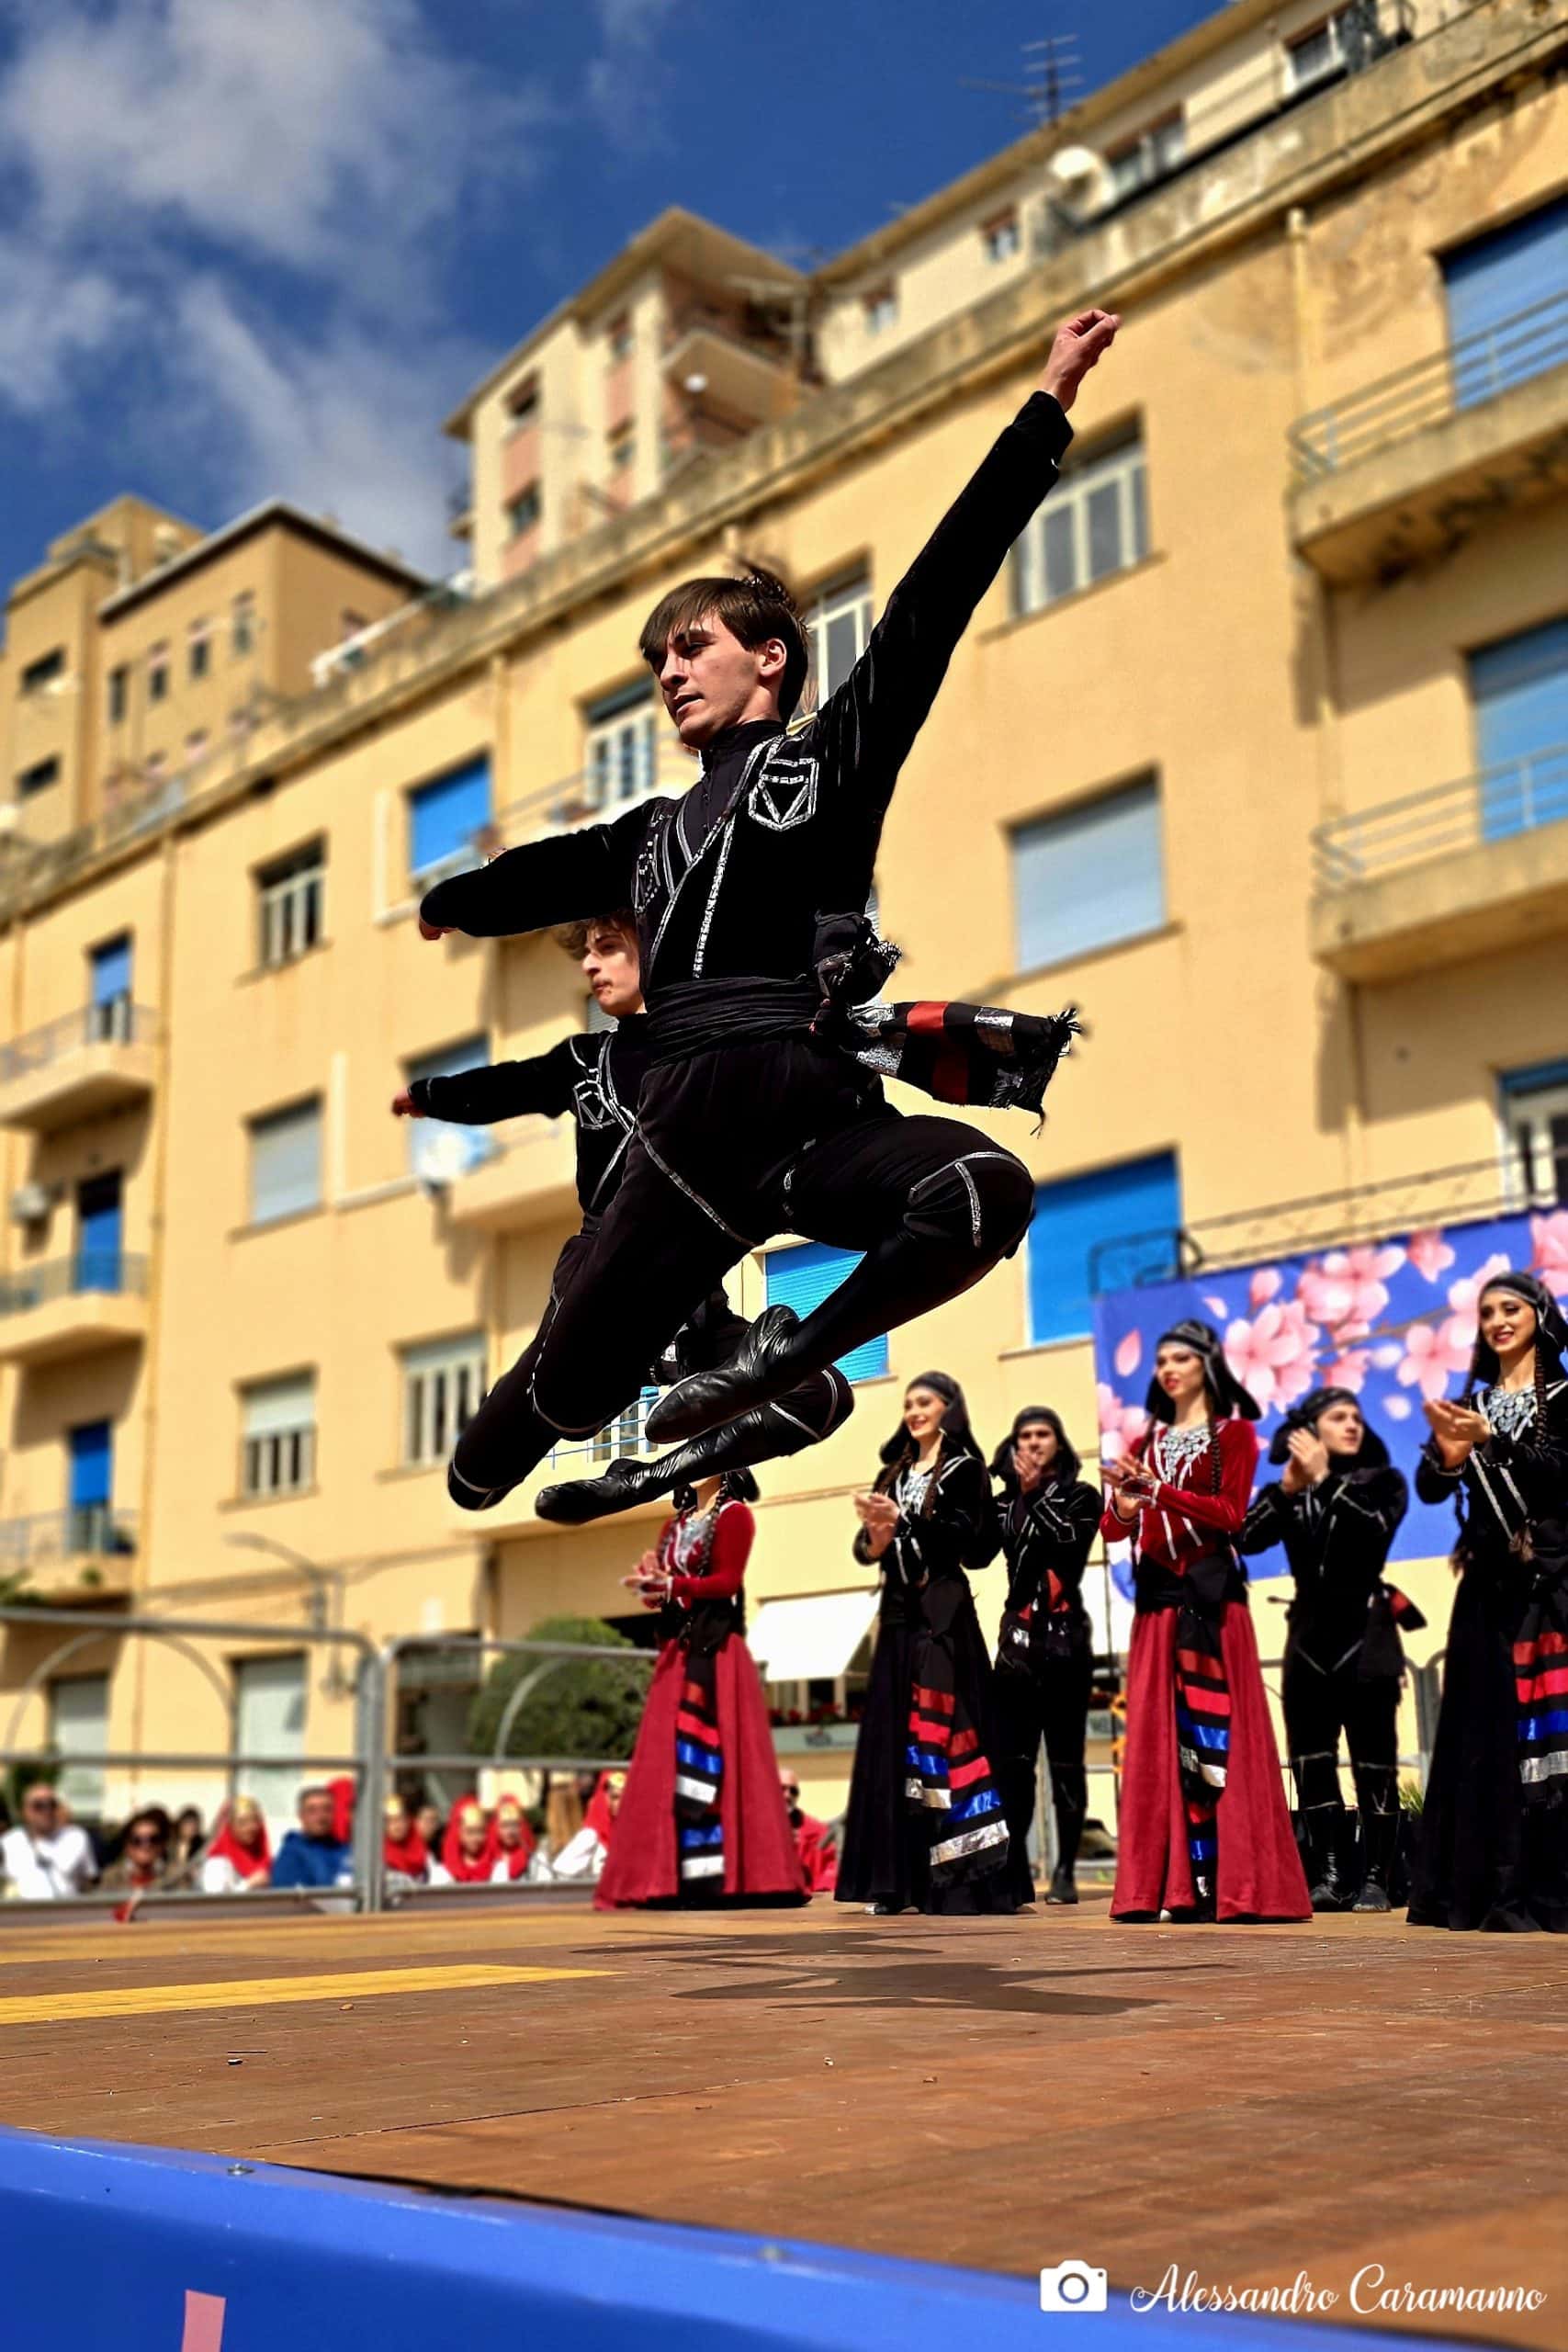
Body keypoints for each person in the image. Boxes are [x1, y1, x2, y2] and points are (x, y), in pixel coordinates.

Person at [416, 311, 1120, 1514]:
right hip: (683, 1135)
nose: (670, 673)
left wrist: (1042, 417)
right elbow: (533, 877)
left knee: (982, 1193)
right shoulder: (643, 833)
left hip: (806, 1108)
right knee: (530, 1432)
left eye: (693, 648)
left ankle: (784, 1365)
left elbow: (931, 603)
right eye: (660, 662)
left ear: (770, 661)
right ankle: (577, 1398)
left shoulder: (823, 766)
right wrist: (453, 901)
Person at [397, 913, 853, 1517]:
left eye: (608, 948)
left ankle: (645, 1478)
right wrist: (429, 1096)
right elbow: (513, 1084)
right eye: (586, 952)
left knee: (821, 1396)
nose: (590, 965)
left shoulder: (721, 1045)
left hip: (689, 1290)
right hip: (597, 1279)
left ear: (659, 949)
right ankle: (573, 1385)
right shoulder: (586, 1059)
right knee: (473, 1483)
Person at [1102, 1321, 1310, 1924]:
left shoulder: (1234, 1435)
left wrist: (1160, 1491)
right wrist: (1124, 1506)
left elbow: (1230, 1514)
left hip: (1213, 1605)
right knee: (1159, 1744)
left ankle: (1239, 1887)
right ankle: (1168, 1887)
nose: (1168, 1369)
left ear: (1207, 1366)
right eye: (1161, 1360)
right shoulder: (1144, 1442)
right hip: (1158, 1607)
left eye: (1181, 1359)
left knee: (1226, 1739)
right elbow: (1114, 1529)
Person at [1409, 1270, 1568, 1934]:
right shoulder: (1469, 1402)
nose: (1498, 1321)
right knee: (1487, 1736)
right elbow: (1429, 1487)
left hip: (1551, 1585)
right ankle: (1490, 1886)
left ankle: (1550, 1887)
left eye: (1511, 1308)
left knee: (1550, 1733)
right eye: (1487, 1312)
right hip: (1487, 1591)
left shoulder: (1564, 1396)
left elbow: (1559, 1469)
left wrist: (1492, 1442)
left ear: (1540, 1315)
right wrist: (1448, 1458)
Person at [836, 1374, 1010, 1916]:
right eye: (908, 1404)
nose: (914, 1412)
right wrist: (877, 1539)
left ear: (948, 1409)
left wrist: (906, 1520)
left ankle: (961, 1881)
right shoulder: (892, 1474)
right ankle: (895, 1883)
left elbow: (969, 1540)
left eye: (925, 1402)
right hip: (898, 1621)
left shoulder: (965, 1470)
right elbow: (867, 1549)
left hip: (943, 1618)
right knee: (894, 1743)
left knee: (952, 1733)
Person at [1239, 1388, 1417, 1914]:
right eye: (1339, 1417)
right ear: (1311, 1430)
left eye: (1357, 1416)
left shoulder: (1384, 1482)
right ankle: (1333, 1875)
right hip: (1309, 1641)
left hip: (1367, 1637)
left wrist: (1325, 1479)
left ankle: (1378, 1878)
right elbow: (1245, 1538)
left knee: (1374, 1763)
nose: (1352, 1424)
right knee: (1311, 1760)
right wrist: (1285, 1489)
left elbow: (1374, 1531)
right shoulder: (1294, 1490)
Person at [596, 1472, 805, 1908]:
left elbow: (727, 1582)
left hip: (717, 1653)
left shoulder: (735, 1515)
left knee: (719, 1759)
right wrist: (654, 1590)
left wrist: (675, 1584)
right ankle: (670, 1879)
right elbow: (667, 1593)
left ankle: (725, 1881)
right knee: (668, 1764)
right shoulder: (673, 1524)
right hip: (679, 1653)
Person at [989, 1406, 1102, 1908]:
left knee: (1065, 1761)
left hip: (1065, 1642)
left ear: (1058, 1442)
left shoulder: (1082, 1496)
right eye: (1025, 1435)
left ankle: (1064, 1870)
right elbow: (976, 1553)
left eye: (1043, 1434)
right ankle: (1013, 1867)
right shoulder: (1002, 1505)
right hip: (1016, 1643)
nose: (1033, 1442)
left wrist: (1034, 1494)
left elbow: (1070, 1547)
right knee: (1013, 1763)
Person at [0, 1782, 98, 1899]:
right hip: (23, 1909)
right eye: (38, 1806)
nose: (47, 1811)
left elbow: (89, 1881)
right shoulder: (8, 1843)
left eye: (52, 1804)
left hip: (66, 1908)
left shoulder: (77, 1838)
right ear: (24, 1811)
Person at [271, 1784, 355, 1892]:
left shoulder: (346, 1851)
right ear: (301, 1815)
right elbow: (289, 1897)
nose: (321, 1817)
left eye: (327, 1809)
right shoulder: (292, 1854)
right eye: (312, 1811)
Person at [548, 1770, 623, 1881]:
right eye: (615, 1797)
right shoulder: (590, 1835)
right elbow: (560, 1872)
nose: (621, 1803)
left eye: (625, 1797)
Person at [102, 1806, 173, 1921]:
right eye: (137, 1840)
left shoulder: (175, 1876)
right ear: (127, 1846)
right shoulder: (111, 1877)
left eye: (153, 1839)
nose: (146, 1846)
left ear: (161, 1845)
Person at [781, 1768, 838, 1894]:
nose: (788, 1795)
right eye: (782, 1788)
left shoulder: (817, 1830)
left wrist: (822, 1889)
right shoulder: (755, 1830)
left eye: (793, 1791)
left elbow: (834, 1864)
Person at [199, 1796, 272, 1894]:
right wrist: (248, 1884)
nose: (251, 1828)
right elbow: (216, 1900)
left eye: (255, 1821)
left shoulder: (265, 1861)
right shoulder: (217, 1863)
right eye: (242, 1823)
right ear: (231, 1826)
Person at [436, 1796, 496, 1885]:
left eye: (480, 1831)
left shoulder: (497, 1868)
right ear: (458, 1833)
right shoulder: (443, 1872)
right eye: (470, 1832)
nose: (475, 1838)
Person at [382, 1794, 431, 1887]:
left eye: (400, 1819)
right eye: (389, 1821)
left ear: (408, 1820)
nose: (396, 1826)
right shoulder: (377, 1857)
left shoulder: (423, 1853)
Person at [490, 1796, 536, 1883]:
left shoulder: (533, 1859)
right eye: (505, 1826)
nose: (510, 1831)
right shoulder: (490, 1859)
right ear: (497, 1828)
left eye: (515, 1825)